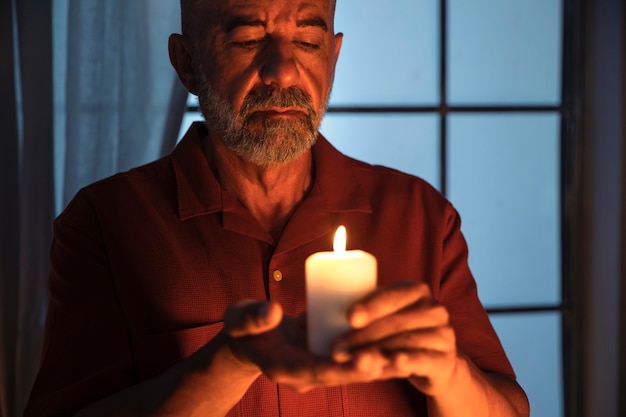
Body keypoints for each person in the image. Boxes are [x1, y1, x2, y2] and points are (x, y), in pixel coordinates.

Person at [25, 0, 530, 416]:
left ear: (333, 57)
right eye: (247, 40)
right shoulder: (106, 222)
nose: (283, 70)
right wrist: (229, 362)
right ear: (187, 63)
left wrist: (448, 372)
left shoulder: (419, 215)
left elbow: (508, 406)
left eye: (308, 42)